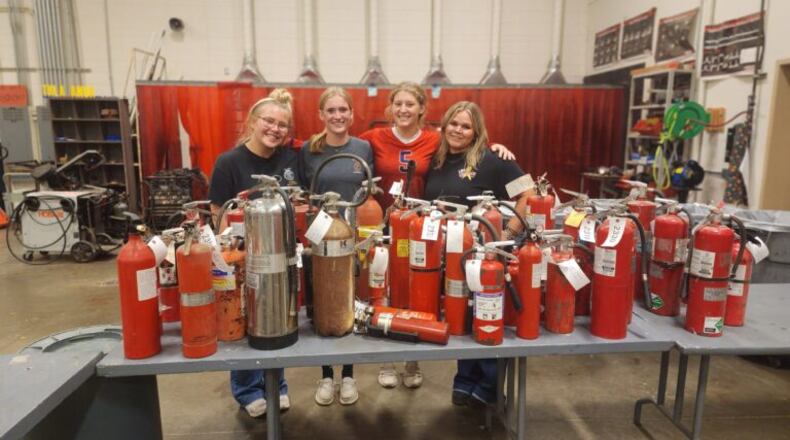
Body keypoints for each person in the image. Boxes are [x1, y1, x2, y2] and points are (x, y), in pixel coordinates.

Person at [359, 82, 516, 389]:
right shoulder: (373, 138)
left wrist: (497, 148)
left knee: (424, 294)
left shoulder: (435, 140)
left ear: (422, 110)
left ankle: (414, 358)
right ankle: (386, 358)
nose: (403, 109)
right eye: (398, 104)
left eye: (410, 104)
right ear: (390, 107)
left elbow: (473, 144)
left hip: (426, 233)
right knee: (384, 292)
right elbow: (340, 145)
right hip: (386, 230)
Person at [422, 101, 533, 407]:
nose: (458, 130)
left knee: (487, 314)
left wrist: (508, 235)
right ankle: (465, 380)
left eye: (465, 126)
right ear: (444, 126)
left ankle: (489, 385)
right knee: (462, 313)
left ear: (476, 132)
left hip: (488, 256)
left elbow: (529, 193)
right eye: (453, 124)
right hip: (453, 252)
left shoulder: (494, 158)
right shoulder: (438, 159)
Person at [208, 88, 299, 418]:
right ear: (252, 121)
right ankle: (247, 388)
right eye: (269, 121)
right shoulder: (229, 162)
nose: (275, 129)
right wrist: (232, 255)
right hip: (246, 256)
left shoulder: (290, 160)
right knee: (247, 318)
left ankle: (278, 385)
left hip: (283, 253)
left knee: (279, 315)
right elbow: (218, 211)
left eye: (282, 125)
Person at [298, 86, 374, 406]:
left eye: (343, 110)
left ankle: (349, 376)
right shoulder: (309, 149)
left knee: (351, 294)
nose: (338, 116)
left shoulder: (364, 148)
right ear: (321, 115)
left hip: (352, 232)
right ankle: (327, 374)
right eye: (331, 110)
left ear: (352, 114)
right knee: (323, 297)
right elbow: (304, 190)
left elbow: (368, 191)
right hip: (320, 233)